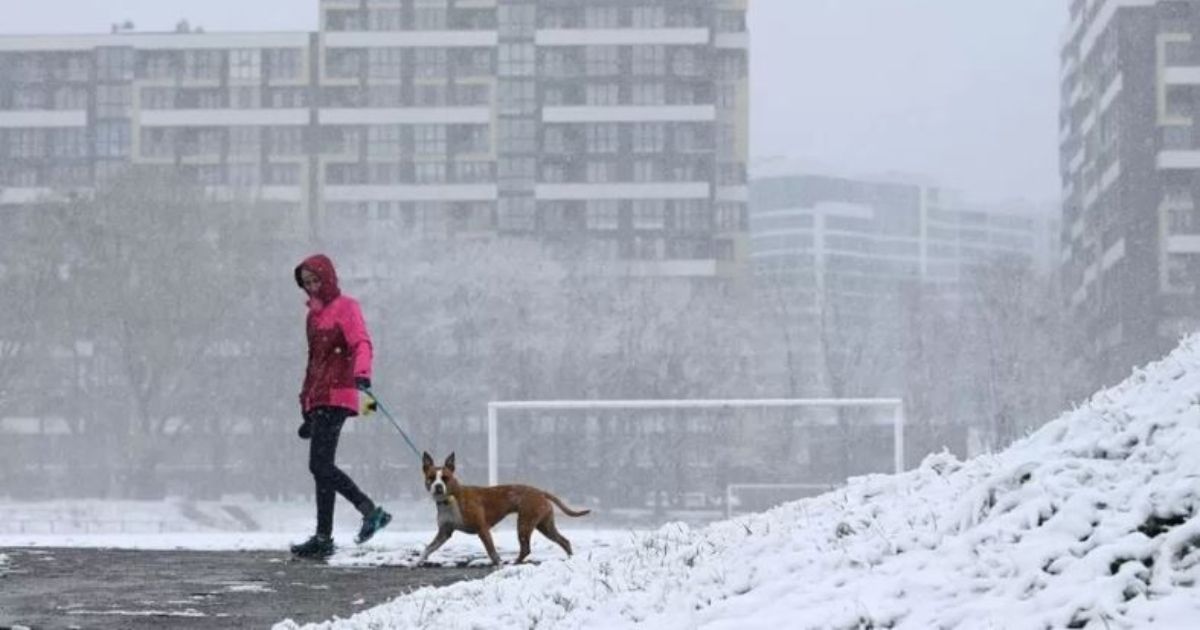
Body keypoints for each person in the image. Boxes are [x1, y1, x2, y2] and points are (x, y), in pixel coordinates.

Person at [289, 254, 391, 559]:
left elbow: (361, 342)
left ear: (328, 278)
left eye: (315, 280)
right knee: (321, 470)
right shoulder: (313, 317)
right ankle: (323, 537)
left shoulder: (347, 308)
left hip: (340, 394)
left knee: (319, 465)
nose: (311, 287)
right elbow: (314, 364)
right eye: (306, 283)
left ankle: (370, 511)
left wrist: (362, 373)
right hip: (319, 397)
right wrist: (306, 405)